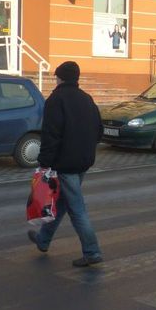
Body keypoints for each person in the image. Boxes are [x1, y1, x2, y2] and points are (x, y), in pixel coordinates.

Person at [29, 61, 104, 267]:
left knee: (76, 209)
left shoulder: (56, 100)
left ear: (60, 77)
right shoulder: (87, 99)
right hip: (83, 162)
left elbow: (51, 135)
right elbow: (99, 131)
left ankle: (92, 251)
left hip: (64, 164)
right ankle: (43, 240)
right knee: (62, 202)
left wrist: (44, 163)